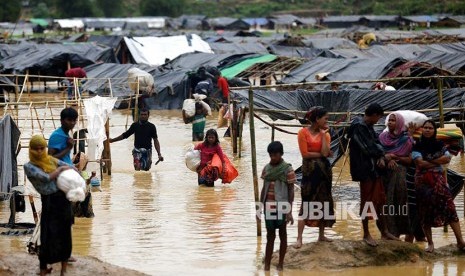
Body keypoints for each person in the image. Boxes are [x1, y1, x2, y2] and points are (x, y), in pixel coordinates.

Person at [348, 103, 399, 247]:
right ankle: (366, 233)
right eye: (379, 118)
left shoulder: (367, 126)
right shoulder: (359, 127)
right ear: (375, 115)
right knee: (367, 201)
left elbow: (377, 143)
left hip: (374, 169)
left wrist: (381, 156)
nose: (379, 121)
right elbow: (367, 148)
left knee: (380, 200)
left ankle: (384, 231)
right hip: (365, 170)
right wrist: (383, 155)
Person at [412, 120, 465, 253]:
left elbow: (446, 159)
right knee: (425, 211)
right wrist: (436, 163)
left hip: (438, 180)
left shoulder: (440, 144)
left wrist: (428, 161)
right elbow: (419, 163)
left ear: (434, 130)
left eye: (430, 128)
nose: (428, 130)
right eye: (425, 128)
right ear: (422, 130)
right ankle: (430, 244)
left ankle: (460, 241)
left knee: (450, 207)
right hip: (422, 182)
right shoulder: (417, 146)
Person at [24, 135, 73, 276]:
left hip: (62, 199)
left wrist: (74, 170)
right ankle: (43, 268)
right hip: (49, 201)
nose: (39, 152)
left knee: (65, 232)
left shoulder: (50, 160)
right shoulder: (29, 166)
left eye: (42, 148)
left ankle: (63, 270)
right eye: (36, 149)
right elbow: (45, 178)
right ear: (31, 150)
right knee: (47, 234)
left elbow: (67, 166)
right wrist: (60, 170)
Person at [295, 107, 335, 248]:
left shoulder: (326, 135)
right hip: (309, 173)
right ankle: (299, 238)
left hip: (324, 172)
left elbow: (324, 152)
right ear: (317, 119)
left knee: (324, 201)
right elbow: (305, 154)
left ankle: (321, 235)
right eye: (325, 118)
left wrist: (324, 137)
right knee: (306, 202)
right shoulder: (302, 133)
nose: (327, 121)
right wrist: (322, 154)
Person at [260, 141, 296, 271]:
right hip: (268, 207)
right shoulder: (266, 169)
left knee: (282, 234)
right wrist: (259, 208)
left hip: (282, 207)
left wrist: (289, 211)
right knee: (270, 236)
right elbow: (264, 189)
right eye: (271, 155)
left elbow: (291, 191)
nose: (273, 158)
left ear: (281, 154)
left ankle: (281, 263)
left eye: (275, 155)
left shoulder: (287, 169)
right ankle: (267, 266)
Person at [379, 112, 415, 239]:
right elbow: (378, 154)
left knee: (401, 202)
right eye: (389, 120)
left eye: (393, 120)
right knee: (386, 203)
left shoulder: (406, 139)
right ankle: (389, 232)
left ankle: (405, 232)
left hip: (401, 176)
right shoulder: (382, 137)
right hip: (385, 176)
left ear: (399, 123)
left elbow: (410, 160)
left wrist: (395, 157)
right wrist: (388, 159)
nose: (390, 122)